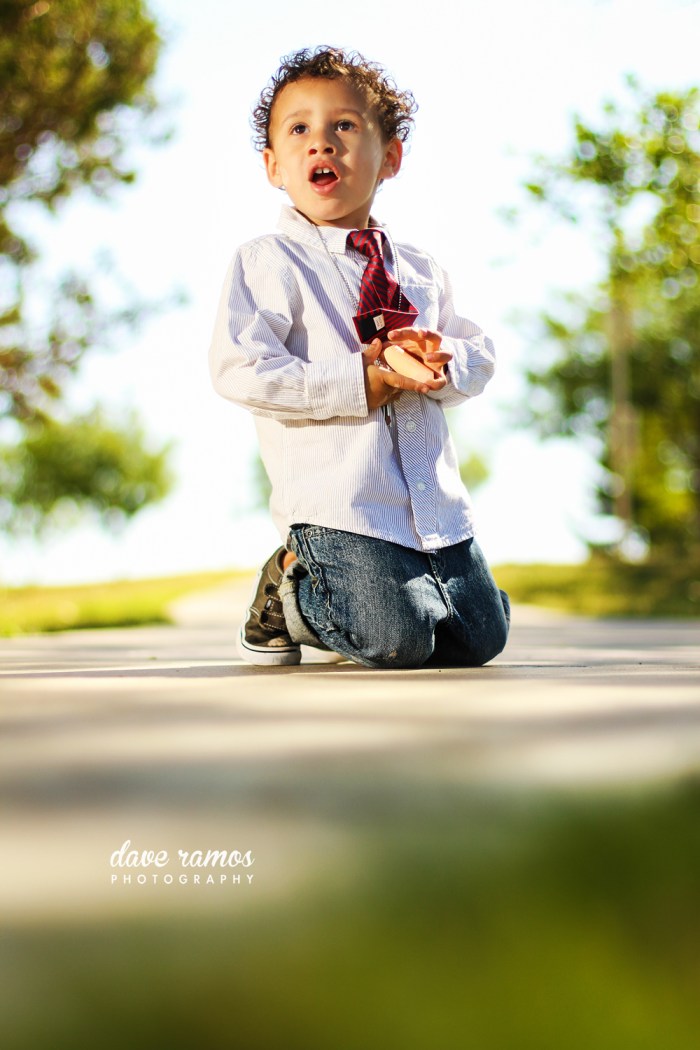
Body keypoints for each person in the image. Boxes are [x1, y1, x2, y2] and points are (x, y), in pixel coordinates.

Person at [209, 46, 510, 669]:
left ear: (390, 157)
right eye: (299, 130)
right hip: (340, 506)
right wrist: (359, 382)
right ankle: (290, 585)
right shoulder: (268, 262)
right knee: (395, 640)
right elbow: (239, 367)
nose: (321, 144)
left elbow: (479, 353)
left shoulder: (420, 271)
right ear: (273, 165)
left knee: (482, 640)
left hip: (432, 510)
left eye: (343, 126)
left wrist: (441, 357)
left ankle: (430, 590)